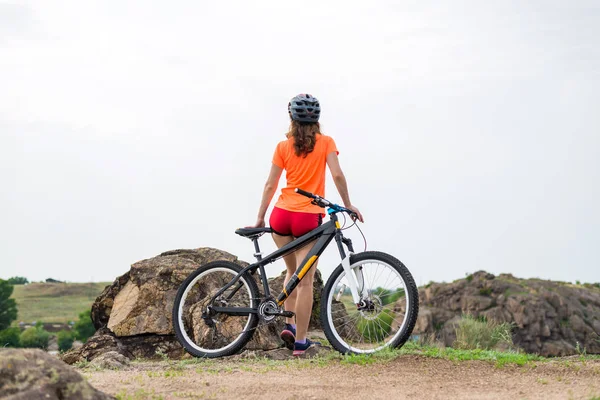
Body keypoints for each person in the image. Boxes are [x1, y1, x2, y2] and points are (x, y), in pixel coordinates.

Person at [249, 93, 364, 356]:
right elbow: (336, 174)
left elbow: (270, 185)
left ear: (291, 118)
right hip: (306, 218)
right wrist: (348, 203)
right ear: (317, 120)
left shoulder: (282, 146)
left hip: (280, 215)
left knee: (292, 272)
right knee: (305, 280)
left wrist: (260, 217)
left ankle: (288, 324)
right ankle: (300, 342)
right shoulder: (326, 143)